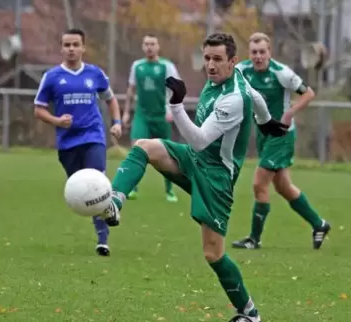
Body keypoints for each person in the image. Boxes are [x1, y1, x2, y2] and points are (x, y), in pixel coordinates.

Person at [108, 33, 290, 322]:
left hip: (217, 178)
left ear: (232, 62)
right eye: (207, 58)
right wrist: (266, 121)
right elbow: (256, 96)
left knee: (213, 254)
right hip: (197, 161)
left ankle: (249, 313)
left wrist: (177, 106)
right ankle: (114, 201)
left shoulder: (232, 100)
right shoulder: (239, 75)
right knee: (145, 147)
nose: (211, 65)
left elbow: (200, 140)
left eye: (218, 59)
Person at [232, 32, 331, 250]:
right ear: (249, 54)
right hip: (263, 132)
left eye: (262, 52)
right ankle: (319, 224)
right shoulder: (242, 70)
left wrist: (290, 112)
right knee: (284, 187)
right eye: (254, 52)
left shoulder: (281, 72)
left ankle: (254, 239)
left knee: (259, 183)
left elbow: (308, 93)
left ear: (269, 52)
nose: (258, 56)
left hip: (281, 134)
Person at [34, 28, 122, 257]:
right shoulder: (52, 77)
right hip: (67, 143)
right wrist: (57, 121)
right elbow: (39, 109)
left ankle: (103, 240)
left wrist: (117, 122)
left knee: (96, 183)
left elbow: (111, 100)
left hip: (93, 136)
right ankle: (104, 221)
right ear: (61, 48)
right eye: (67, 45)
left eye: (75, 44)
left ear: (83, 47)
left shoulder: (95, 74)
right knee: (84, 192)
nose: (71, 49)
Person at [122, 34, 179, 202]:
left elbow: (176, 90)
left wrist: (171, 110)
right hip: (142, 115)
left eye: (152, 44)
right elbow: (131, 91)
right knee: (136, 149)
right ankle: (133, 188)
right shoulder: (137, 66)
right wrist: (126, 112)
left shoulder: (166, 66)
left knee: (166, 154)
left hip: (161, 115)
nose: (149, 47)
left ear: (158, 46)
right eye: (146, 44)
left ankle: (169, 190)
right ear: (142, 46)